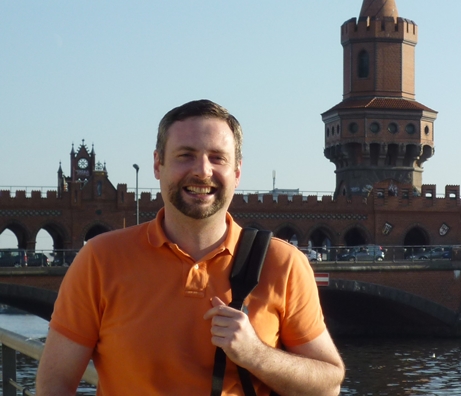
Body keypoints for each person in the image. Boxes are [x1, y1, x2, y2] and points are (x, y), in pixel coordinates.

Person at [36, 99, 344, 396]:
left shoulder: (283, 263)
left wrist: (256, 354)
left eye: (217, 157)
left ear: (237, 172)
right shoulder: (100, 260)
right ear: (158, 164)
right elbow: (54, 386)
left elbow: (328, 385)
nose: (203, 171)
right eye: (185, 155)